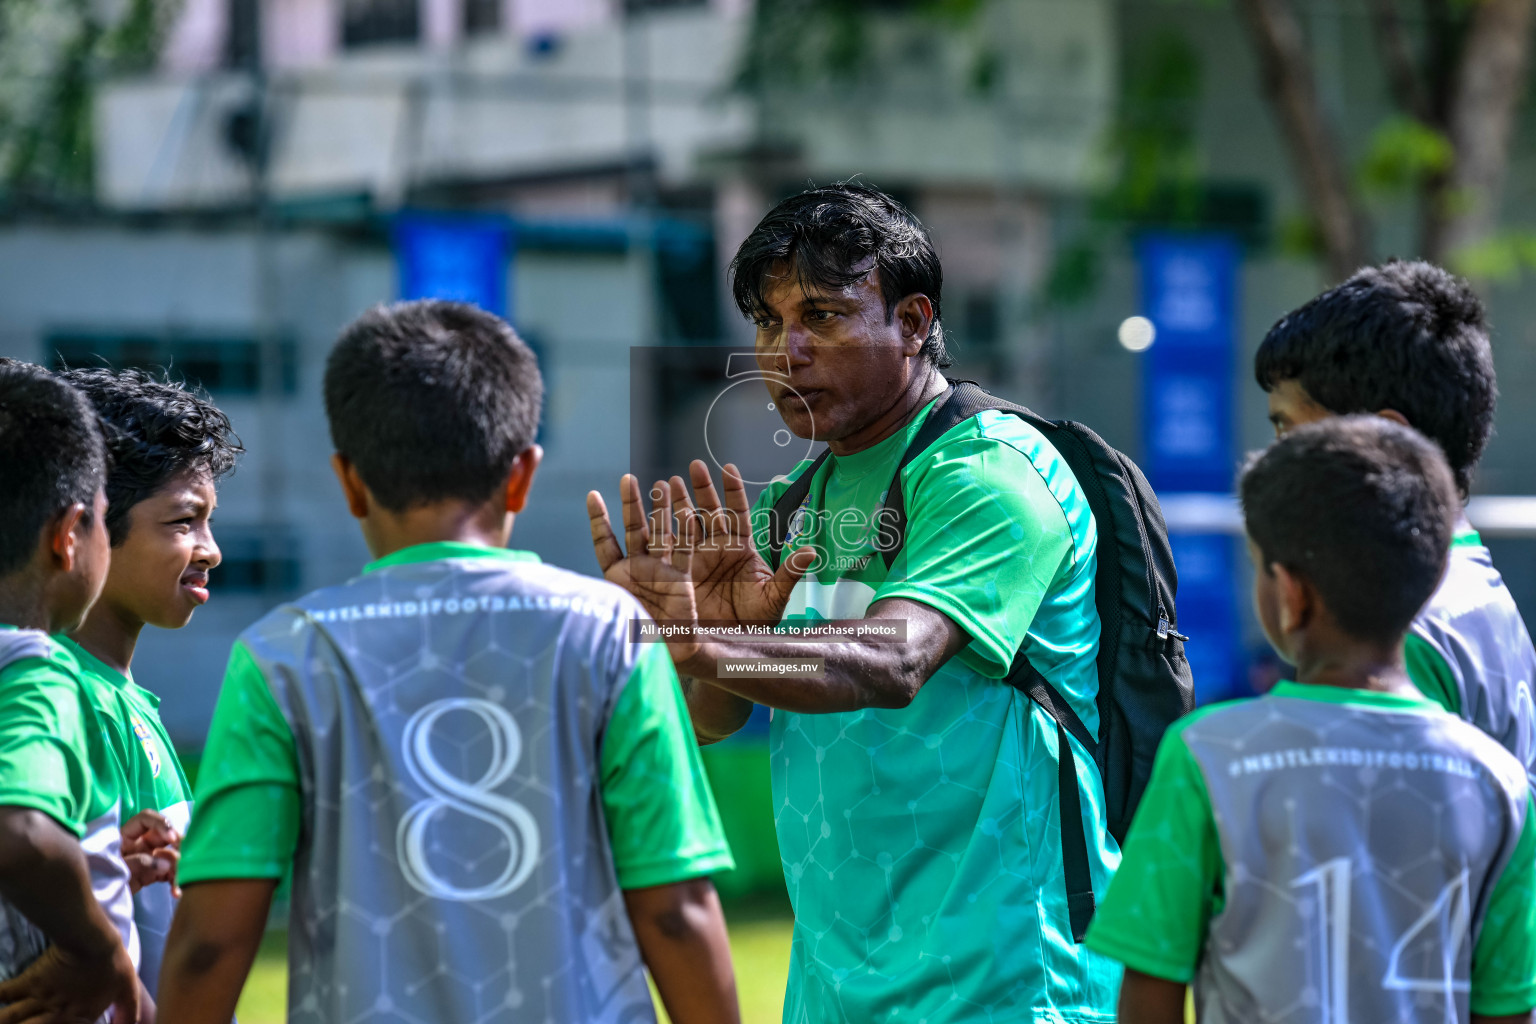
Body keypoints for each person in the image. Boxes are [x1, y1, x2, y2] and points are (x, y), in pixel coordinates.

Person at [590, 183, 1120, 1020]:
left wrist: (709, 643)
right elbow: (717, 714)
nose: (785, 350)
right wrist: (709, 649)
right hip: (834, 986)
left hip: (1007, 981)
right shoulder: (795, 502)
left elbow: (895, 657)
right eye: (768, 322)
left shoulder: (988, 472)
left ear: (912, 323)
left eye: (824, 316)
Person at [158, 300, 740, 1024]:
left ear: (349, 482)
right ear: (522, 475)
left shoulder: (283, 655)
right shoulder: (610, 630)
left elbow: (213, 940)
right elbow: (677, 911)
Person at [1085, 416, 1536, 1024]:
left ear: (1292, 595)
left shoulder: (1209, 755)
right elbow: (1507, 1008)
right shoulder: (1499, 784)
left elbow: (1149, 988)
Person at [1256, 261, 1536, 777]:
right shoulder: (1473, 587)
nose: (1274, 461)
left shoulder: (1393, 630)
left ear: (1386, 441)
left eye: (1288, 431)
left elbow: (1380, 849)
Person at [56, 367, 242, 999]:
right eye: (183, 522)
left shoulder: (121, 694)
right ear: (84, 529)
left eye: (209, 521)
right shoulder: (66, 696)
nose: (211, 549)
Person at [0, 361, 141, 1022]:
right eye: (105, 523)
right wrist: (100, 951)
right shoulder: (34, 670)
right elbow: (22, 832)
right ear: (68, 535)